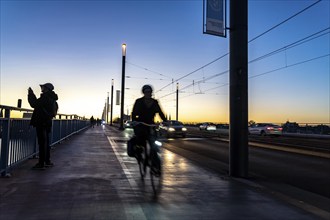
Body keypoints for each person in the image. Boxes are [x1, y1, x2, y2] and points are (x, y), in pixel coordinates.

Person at [131, 84, 167, 174]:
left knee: (154, 142)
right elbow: (134, 113)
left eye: (149, 91)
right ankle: (139, 153)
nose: (148, 93)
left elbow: (160, 112)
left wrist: (165, 120)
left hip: (151, 124)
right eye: (146, 92)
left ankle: (154, 163)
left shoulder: (155, 102)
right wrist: (134, 121)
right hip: (141, 124)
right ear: (144, 92)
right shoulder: (139, 101)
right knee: (140, 139)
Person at [28, 83, 58, 170]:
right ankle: (47, 161)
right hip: (47, 122)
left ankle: (41, 163)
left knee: (42, 143)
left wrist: (31, 94)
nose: (42, 88)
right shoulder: (52, 98)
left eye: (43, 87)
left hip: (41, 122)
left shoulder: (45, 97)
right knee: (46, 142)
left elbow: (34, 104)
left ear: (47, 89)